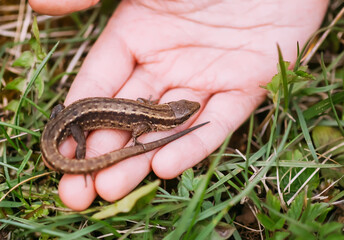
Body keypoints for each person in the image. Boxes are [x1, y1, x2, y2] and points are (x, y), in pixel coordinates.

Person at [29, 0, 329, 211]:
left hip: (69, 117)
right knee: (79, 146)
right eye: (185, 113)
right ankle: (79, 162)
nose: (190, 110)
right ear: (169, 120)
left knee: (66, 117)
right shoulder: (148, 122)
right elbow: (138, 124)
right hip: (73, 122)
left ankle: (73, 155)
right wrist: (134, 138)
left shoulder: (150, 113)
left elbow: (138, 107)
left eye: (186, 112)